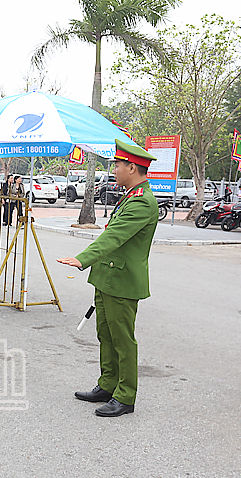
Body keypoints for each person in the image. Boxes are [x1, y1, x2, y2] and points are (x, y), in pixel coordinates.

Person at [56, 139, 159, 417]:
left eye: (118, 165)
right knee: (106, 334)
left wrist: (83, 258)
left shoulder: (142, 202)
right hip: (108, 278)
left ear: (133, 168)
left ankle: (125, 396)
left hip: (123, 282)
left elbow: (114, 237)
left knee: (123, 340)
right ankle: (108, 384)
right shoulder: (129, 196)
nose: (114, 170)